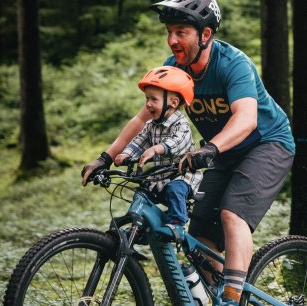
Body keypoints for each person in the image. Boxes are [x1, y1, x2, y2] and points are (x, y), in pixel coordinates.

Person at [80, 0, 295, 303]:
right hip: (221, 152)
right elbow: (144, 117)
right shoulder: (174, 68)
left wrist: (210, 149)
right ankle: (223, 295)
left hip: (267, 144)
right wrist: (105, 157)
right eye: (169, 32)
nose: (172, 40)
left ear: (205, 34)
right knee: (202, 238)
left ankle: (232, 300)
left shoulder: (233, 63)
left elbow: (247, 118)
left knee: (233, 214)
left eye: (181, 32)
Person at [114, 66, 202, 229]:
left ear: (173, 103)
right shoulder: (151, 125)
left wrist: (156, 149)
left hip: (182, 176)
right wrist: (126, 153)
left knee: (175, 190)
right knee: (142, 193)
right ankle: (140, 229)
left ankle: (176, 224)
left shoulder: (181, 125)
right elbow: (140, 141)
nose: (148, 104)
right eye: (146, 99)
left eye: (154, 99)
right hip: (160, 177)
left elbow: (176, 143)